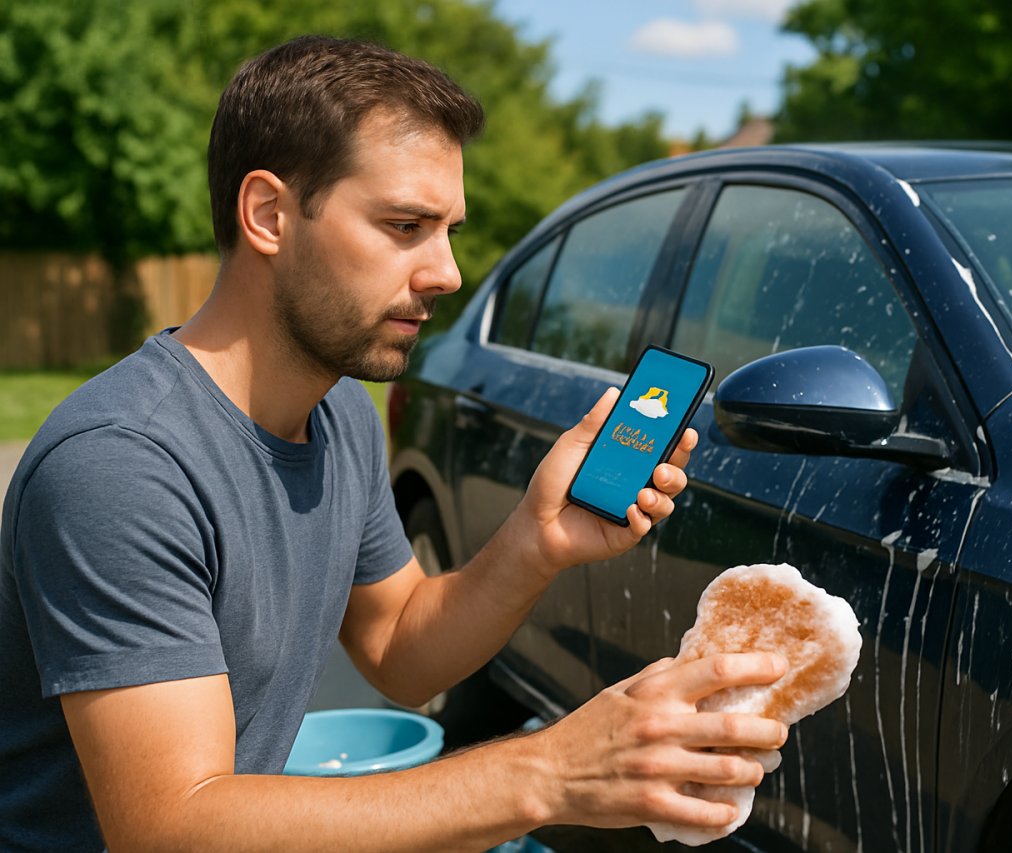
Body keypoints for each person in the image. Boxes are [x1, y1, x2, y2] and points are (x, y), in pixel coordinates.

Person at [0, 36, 787, 850]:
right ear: (268, 214)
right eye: (405, 225)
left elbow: (397, 647)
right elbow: (172, 826)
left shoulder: (335, 407)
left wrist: (533, 541)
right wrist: (549, 771)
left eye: (448, 229)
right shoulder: (121, 463)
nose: (446, 271)